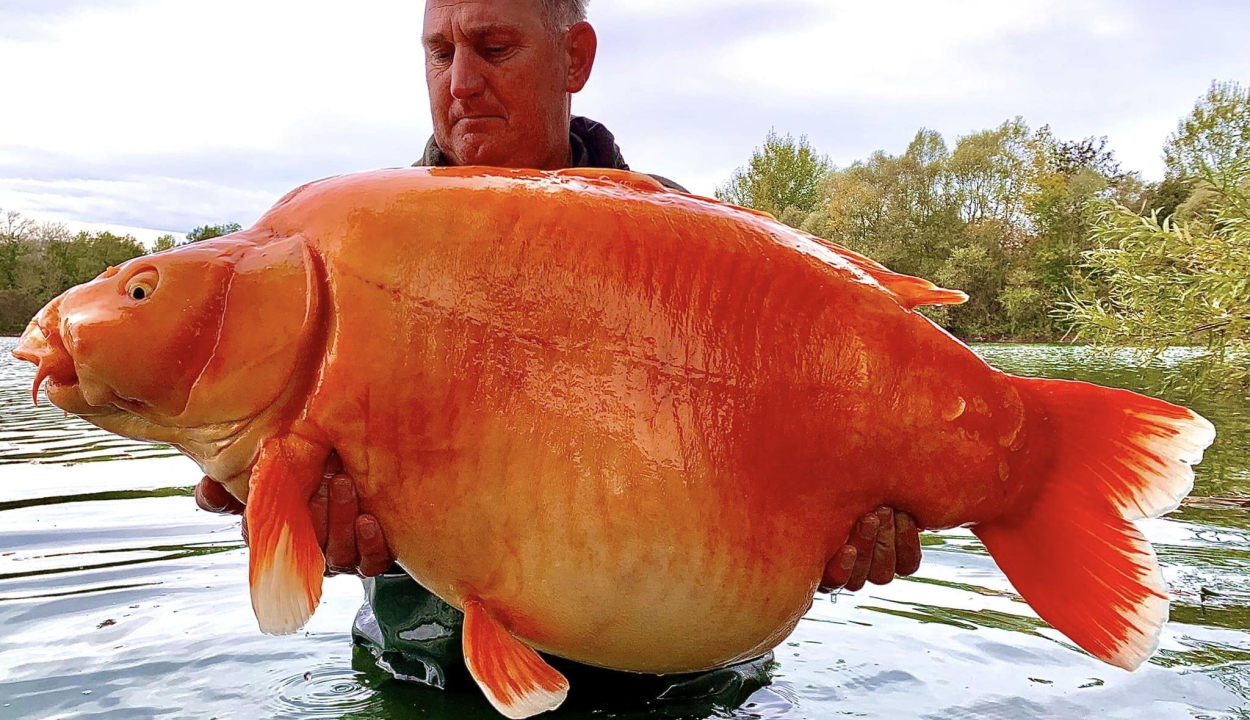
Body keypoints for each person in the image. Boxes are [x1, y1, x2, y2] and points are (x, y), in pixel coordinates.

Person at [195, 0, 924, 708]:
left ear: (574, 58)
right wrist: (282, 505)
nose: (461, 81)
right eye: (440, 52)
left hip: (681, 693)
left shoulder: (707, 255)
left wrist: (838, 543)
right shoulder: (349, 245)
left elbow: (787, 483)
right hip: (424, 678)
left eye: (494, 48)